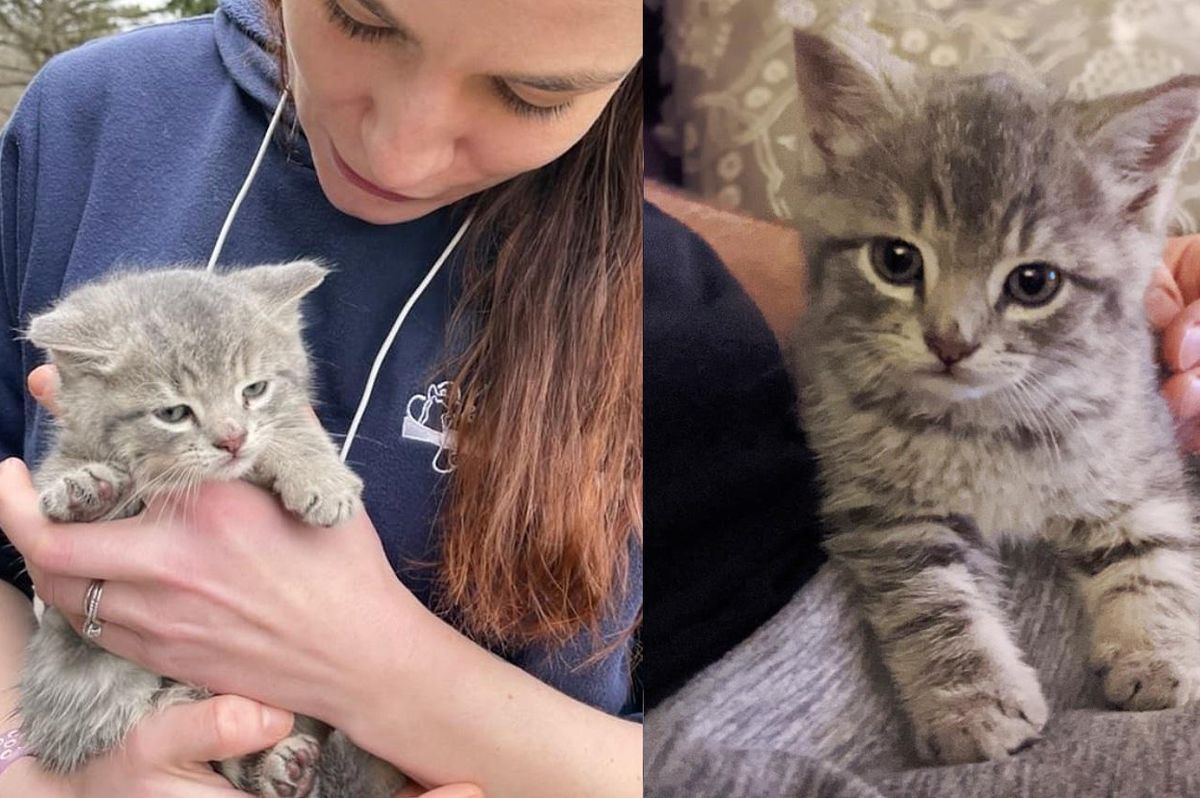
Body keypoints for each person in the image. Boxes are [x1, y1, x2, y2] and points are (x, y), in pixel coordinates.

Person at [0, 1, 642, 796]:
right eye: (360, 20)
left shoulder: (700, 276)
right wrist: (28, 770)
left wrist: (372, 664)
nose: (397, 153)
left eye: (533, 94)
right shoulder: (91, 118)